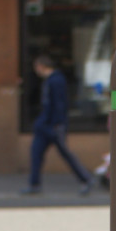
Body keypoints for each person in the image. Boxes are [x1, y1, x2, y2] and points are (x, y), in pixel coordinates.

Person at [22, 55, 95, 195]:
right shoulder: (50, 81)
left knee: (65, 153)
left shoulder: (56, 80)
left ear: (41, 66)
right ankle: (34, 184)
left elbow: (60, 104)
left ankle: (85, 179)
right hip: (45, 125)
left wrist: (57, 124)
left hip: (54, 126)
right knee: (36, 153)